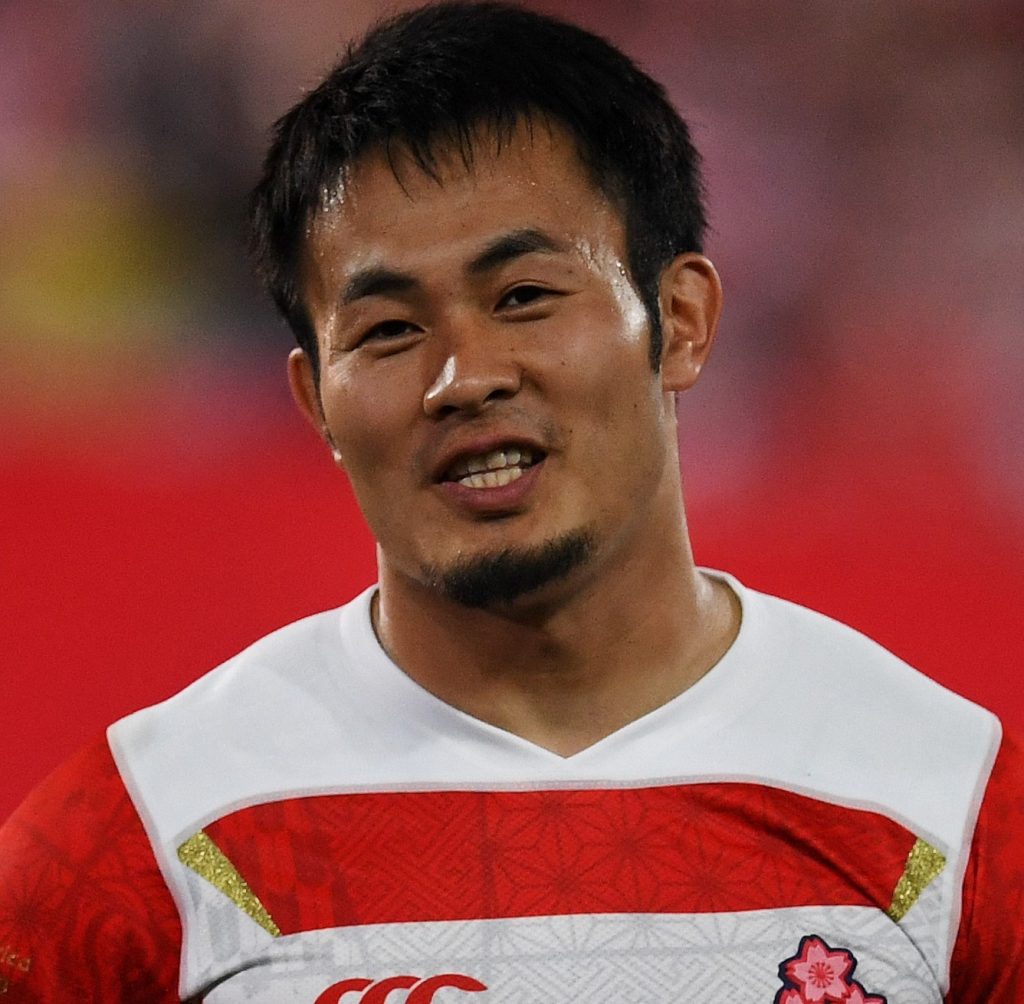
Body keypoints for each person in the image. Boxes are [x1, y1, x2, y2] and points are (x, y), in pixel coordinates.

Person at [1, 2, 1021, 1001]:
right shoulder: (135, 844)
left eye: (524, 296)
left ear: (681, 318)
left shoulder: (955, 809)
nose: (463, 376)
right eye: (388, 330)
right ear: (315, 401)